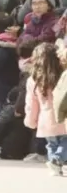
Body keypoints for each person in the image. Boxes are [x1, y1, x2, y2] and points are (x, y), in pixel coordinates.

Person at [25, 43, 67, 177]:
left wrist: (31, 121)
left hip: (46, 120)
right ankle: (58, 159)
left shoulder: (34, 80)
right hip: (63, 116)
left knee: (51, 144)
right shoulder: (63, 75)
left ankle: (55, 164)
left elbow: (31, 104)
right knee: (65, 142)